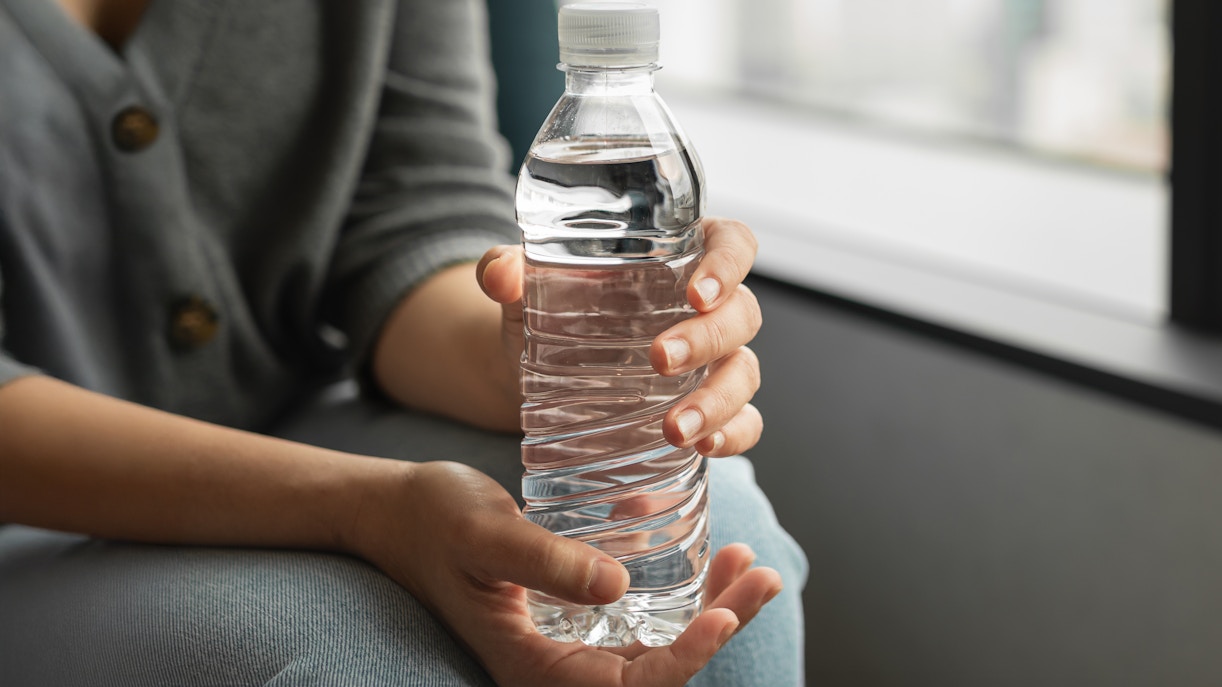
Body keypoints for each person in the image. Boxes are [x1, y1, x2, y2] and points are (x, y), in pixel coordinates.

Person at [0, 0, 808, 685]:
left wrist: (536, 353)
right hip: (28, 509)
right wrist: (366, 507)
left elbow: (409, 215)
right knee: (353, 659)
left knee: (722, 530)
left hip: (302, 408)